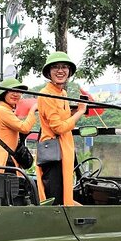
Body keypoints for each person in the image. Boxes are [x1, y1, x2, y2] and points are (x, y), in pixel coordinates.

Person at [36, 51, 87, 205]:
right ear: (49, 72)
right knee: (55, 199)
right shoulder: (46, 94)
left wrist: (73, 111)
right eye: (55, 67)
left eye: (64, 67)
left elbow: (62, 119)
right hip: (53, 152)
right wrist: (80, 112)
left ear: (69, 72)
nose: (60, 70)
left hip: (64, 149)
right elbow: (58, 127)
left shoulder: (62, 93)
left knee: (65, 195)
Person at [0, 78, 37, 173]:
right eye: (12, 90)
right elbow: (24, 128)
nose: (16, 94)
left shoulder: (6, 110)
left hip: (9, 158)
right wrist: (32, 110)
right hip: (7, 160)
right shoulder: (2, 110)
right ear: (3, 93)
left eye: (18, 91)